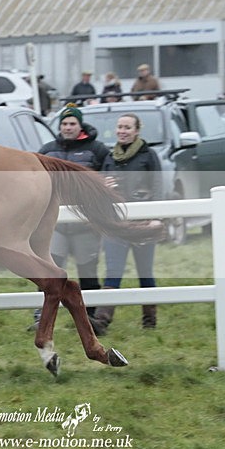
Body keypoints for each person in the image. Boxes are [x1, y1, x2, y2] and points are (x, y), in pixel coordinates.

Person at [30, 105, 109, 330]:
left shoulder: (97, 150)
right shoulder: (46, 150)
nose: (67, 127)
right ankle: (41, 316)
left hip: (85, 224)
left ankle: (91, 317)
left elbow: (108, 176)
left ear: (80, 125)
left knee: (88, 270)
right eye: (64, 124)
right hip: (54, 223)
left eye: (72, 123)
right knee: (49, 269)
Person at [90, 113, 162, 335]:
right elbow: (100, 187)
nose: (122, 131)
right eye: (119, 127)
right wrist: (105, 186)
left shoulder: (149, 156)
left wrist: (157, 216)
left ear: (137, 130)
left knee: (145, 272)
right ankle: (102, 320)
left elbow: (158, 188)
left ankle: (149, 321)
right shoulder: (110, 157)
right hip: (116, 225)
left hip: (142, 224)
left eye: (127, 127)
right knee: (113, 271)